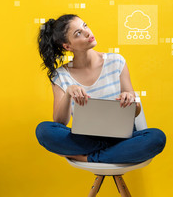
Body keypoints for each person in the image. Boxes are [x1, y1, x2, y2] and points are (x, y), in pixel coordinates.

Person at [35, 14, 166, 163]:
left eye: (85, 25)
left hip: (123, 138)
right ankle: (109, 154)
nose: (87, 32)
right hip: (87, 139)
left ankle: (90, 158)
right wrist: (68, 94)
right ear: (67, 46)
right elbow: (59, 122)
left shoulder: (116, 61)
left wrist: (131, 100)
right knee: (43, 130)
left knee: (157, 137)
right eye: (78, 33)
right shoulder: (60, 76)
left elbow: (135, 112)